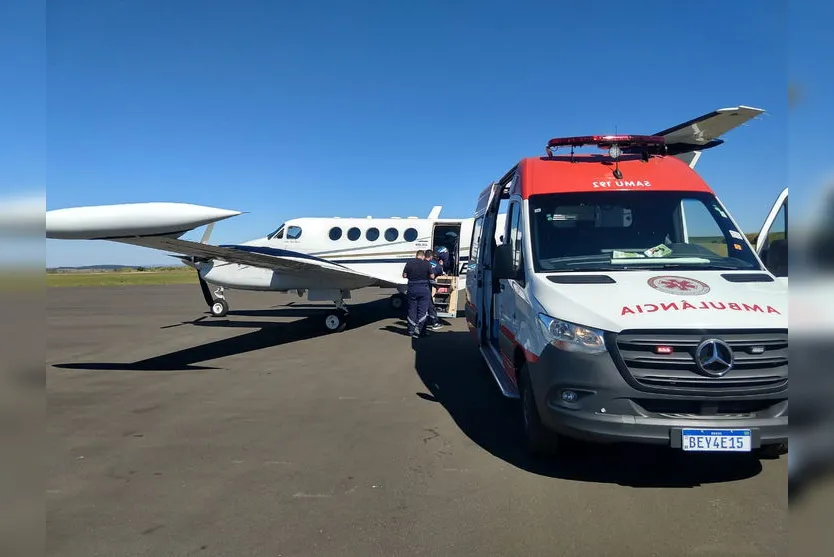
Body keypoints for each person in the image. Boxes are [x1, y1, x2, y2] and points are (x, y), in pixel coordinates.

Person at [402, 250, 434, 338]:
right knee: (422, 311)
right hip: (423, 288)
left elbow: (404, 275)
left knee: (412, 309)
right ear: (423, 256)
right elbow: (432, 276)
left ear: (416, 255)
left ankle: (411, 330)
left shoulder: (409, 263)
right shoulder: (427, 264)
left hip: (412, 288)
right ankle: (421, 331)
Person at [424, 250, 443, 330]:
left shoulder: (420, 263)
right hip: (426, 287)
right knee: (430, 306)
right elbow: (436, 275)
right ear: (431, 256)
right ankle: (434, 322)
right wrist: (437, 287)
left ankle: (419, 323)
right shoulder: (435, 264)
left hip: (415, 287)